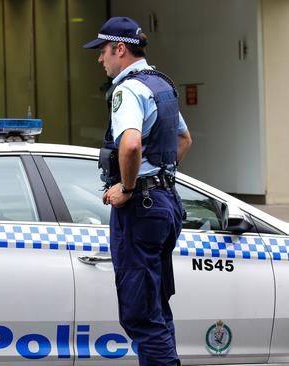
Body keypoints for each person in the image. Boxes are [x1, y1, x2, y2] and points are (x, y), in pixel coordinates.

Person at [83, 17, 192, 365]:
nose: (100, 60)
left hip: (141, 208)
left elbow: (130, 146)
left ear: (120, 49)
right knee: (156, 306)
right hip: (165, 203)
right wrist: (159, 175)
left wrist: (129, 187)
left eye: (102, 51)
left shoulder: (127, 89)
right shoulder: (162, 84)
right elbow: (183, 140)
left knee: (141, 315)